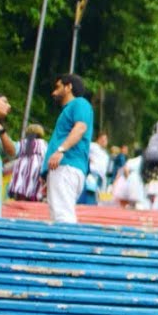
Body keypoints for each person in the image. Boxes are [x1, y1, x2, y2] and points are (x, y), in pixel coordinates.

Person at [42, 74, 93, 224]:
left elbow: (80, 127)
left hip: (67, 165)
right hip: (63, 167)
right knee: (59, 215)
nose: (54, 92)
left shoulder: (80, 103)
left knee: (63, 217)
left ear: (68, 87)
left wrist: (61, 150)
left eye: (58, 87)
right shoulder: (69, 109)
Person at [7, 124, 48, 202]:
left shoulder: (23, 142)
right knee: (33, 186)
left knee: (21, 183)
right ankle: (32, 200)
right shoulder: (43, 144)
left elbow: (15, 152)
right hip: (37, 167)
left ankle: (20, 199)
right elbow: (46, 156)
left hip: (21, 166)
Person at [78, 132, 110, 206]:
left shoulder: (106, 153)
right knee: (90, 196)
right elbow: (83, 149)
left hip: (102, 178)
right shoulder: (93, 146)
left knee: (99, 200)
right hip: (93, 175)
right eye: (103, 139)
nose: (104, 141)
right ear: (98, 139)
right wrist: (87, 159)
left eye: (106, 140)